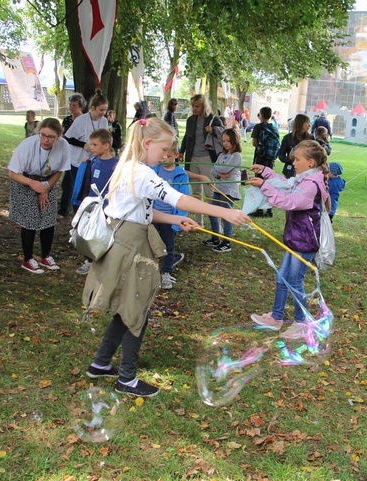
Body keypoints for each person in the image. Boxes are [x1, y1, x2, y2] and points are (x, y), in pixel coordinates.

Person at [82, 117, 251, 397]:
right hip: (130, 248)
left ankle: (101, 363)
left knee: (129, 307)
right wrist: (224, 212)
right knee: (136, 308)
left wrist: (175, 219)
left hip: (124, 240)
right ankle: (127, 378)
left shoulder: (128, 167)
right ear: (147, 143)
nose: (166, 156)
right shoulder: (142, 173)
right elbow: (179, 198)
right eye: (163, 149)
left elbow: (138, 210)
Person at [248, 140, 330, 336]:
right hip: (296, 237)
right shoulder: (304, 178)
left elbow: (290, 202)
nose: (293, 163)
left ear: (310, 163)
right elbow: (285, 184)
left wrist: (265, 186)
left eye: (297, 159)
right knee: (282, 277)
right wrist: (266, 172)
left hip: (305, 241)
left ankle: (301, 324)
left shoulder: (311, 184)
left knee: (294, 280)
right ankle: (276, 318)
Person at [8, 118, 70, 273]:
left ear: (58, 137)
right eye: (43, 135)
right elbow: (13, 173)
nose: (46, 140)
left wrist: (45, 189)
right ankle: (28, 259)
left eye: (50, 137)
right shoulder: (27, 145)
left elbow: (59, 171)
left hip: (47, 182)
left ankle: (45, 256)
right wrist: (31, 183)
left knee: (48, 219)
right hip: (26, 180)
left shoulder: (63, 146)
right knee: (30, 221)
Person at [71, 128, 119, 276]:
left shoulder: (116, 165)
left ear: (106, 146)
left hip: (107, 206)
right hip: (92, 204)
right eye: (91, 144)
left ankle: (104, 261)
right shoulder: (92, 162)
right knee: (88, 231)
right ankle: (89, 261)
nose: (91, 147)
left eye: (94, 144)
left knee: (104, 233)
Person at [60, 89, 108, 217]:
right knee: (79, 188)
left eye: (105, 110)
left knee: (91, 188)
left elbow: (104, 138)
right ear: (92, 108)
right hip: (78, 161)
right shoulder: (81, 120)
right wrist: (84, 145)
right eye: (100, 110)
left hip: (94, 160)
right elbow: (68, 137)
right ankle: (78, 215)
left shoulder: (104, 121)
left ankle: (91, 214)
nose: (103, 113)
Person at [152, 139, 190, 289]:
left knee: (168, 245)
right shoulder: (155, 170)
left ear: (176, 155)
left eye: (167, 156)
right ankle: (151, 269)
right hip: (153, 215)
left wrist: (179, 219)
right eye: (162, 155)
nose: (164, 159)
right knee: (151, 243)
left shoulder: (181, 175)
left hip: (171, 218)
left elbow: (184, 196)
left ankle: (166, 272)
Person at [202, 128, 242, 253]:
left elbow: (223, 168)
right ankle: (215, 238)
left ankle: (227, 242)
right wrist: (219, 173)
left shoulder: (236, 156)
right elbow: (213, 170)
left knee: (226, 216)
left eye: (228, 141)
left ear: (234, 141)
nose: (225, 143)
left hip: (229, 190)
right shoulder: (221, 155)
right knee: (212, 212)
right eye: (223, 141)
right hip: (218, 188)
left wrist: (218, 170)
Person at [180, 94, 224, 204]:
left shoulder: (213, 119)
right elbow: (187, 136)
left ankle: (215, 219)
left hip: (207, 158)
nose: (194, 108)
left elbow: (224, 135)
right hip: (193, 157)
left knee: (209, 191)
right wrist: (181, 151)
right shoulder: (190, 120)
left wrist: (212, 131)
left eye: (197, 106)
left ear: (204, 107)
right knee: (196, 192)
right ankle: (200, 221)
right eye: (193, 106)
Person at [250, 106, 281, 217]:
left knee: (259, 182)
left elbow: (254, 143)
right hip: (270, 159)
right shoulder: (274, 128)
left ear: (261, 115)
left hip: (260, 158)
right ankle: (269, 210)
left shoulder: (258, 127)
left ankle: (259, 210)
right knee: (269, 183)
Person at [278, 114, 313, 179]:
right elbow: (281, 155)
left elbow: (315, 155)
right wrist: (291, 159)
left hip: (306, 172)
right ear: (301, 123)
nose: (309, 125)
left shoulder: (311, 138)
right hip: (290, 172)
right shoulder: (288, 138)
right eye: (307, 123)